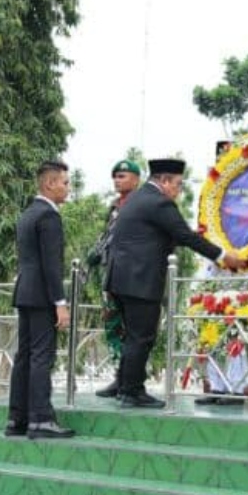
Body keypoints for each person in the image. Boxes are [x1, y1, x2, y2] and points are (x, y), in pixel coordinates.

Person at [106, 158, 245, 409]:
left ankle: (126, 388)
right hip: (140, 280)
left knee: (133, 336)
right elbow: (184, 235)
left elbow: (165, 235)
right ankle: (131, 392)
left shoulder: (139, 198)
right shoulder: (159, 202)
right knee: (142, 337)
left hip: (122, 279)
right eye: (178, 185)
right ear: (165, 180)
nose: (178, 191)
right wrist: (224, 256)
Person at [6, 159, 75, 439]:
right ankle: (41, 420)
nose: (68, 188)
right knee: (40, 358)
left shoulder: (27, 214)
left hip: (25, 292)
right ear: (50, 183)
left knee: (25, 356)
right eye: (65, 182)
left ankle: (17, 419)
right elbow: (51, 265)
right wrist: (60, 303)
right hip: (43, 296)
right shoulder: (49, 216)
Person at [197, 140, 248, 406]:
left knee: (236, 325)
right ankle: (216, 386)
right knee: (212, 328)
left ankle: (236, 388)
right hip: (215, 265)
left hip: (241, 263)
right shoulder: (211, 190)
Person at [89, 159, 142, 399]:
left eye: (123, 176)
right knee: (112, 326)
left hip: (132, 277)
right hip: (110, 274)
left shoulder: (141, 204)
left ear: (136, 179)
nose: (117, 180)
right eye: (116, 176)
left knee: (133, 330)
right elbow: (106, 237)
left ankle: (130, 380)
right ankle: (118, 377)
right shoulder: (113, 207)